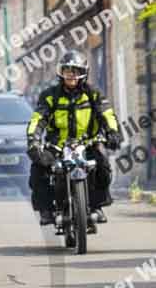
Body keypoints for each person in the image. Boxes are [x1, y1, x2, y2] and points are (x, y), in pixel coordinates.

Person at [26, 50, 121, 229]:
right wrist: (33, 140)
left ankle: (96, 205)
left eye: (75, 71)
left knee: (103, 164)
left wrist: (113, 133)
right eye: (67, 71)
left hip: (88, 142)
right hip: (57, 145)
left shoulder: (93, 94)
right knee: (38, 169)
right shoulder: (49, 95)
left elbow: (107, 114)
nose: (71, 75)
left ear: (82, 73)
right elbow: (37, 119)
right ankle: (46, 210)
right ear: (60, 72)